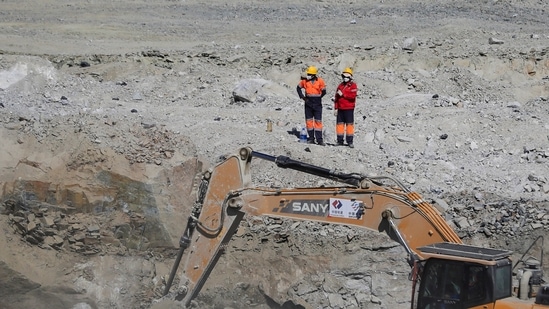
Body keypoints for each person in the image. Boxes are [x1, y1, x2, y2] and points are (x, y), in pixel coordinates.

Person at [297, 66, 327, 145]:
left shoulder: (320, 81)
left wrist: (319, 97)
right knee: (309, 121)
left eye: (310, 74)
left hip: (317, 104)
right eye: (308, 74)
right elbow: (298, 88)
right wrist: (303, 97)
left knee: (318, 121)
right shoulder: (305, 81)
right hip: (308, 103)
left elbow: (324, 91)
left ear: (314, 75)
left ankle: (319, 140)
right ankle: (311, 139)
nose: (308, 75)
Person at [333, 67, 358, 148]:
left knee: (349, 125)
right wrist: (336, 108)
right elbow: (336, 97)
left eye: (347, 77)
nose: (345, 78)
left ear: (350, 77)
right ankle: (339, 140)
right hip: (340, 109)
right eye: (344, 76)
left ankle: (350, 141)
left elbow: (352, 96)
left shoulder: (353, 85)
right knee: (339, 125)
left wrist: (343, 94)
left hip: (349, 109)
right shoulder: (340, 85)